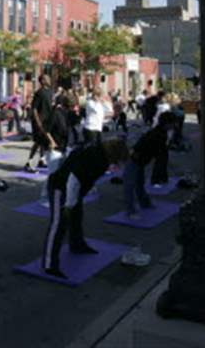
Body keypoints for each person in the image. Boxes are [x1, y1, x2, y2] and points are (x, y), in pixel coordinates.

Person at [42, 137, 128, 279]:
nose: (118, 164)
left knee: (76, 216)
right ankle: (49, 265)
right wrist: (70, 203)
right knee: (58, 224)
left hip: (73, 187)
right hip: (61, 187)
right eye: (118, 160)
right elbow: (73, 179)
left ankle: (77, 245)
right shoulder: (98, 158)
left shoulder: (97, 150)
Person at [124, 112, 178, 219]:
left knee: (139, 183)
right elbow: (161, 153)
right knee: (130, 186)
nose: (174, 126)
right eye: (172, 123)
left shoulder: (161, 132)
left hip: (141, 160)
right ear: (166, 123)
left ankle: (144, 203)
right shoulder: (158, 134)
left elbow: (161, 153)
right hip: (134, 159)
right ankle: (130, 211)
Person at [25, 74, 54, 172]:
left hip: (47, 120)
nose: (49, 79)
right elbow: (34, 109)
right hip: (39, 121)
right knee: (37, 142)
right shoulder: (39, 93)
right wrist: (38, 122)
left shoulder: (50, 92)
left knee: (44, 143)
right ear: (42, 81)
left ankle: (41, 160)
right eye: (47, 78)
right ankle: (29, 162)